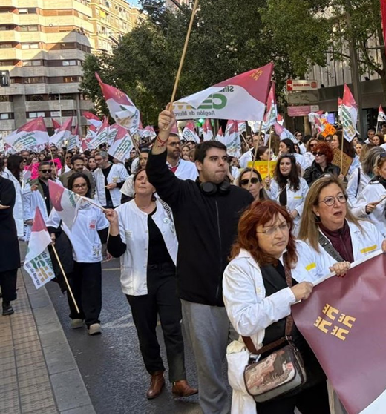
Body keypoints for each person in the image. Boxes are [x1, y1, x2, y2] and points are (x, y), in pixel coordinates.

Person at [147, 106, 255, 414]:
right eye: (213, 159)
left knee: (247, 364)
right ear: (198, 165)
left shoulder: (242, 198)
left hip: (241, 298)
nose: (221, 164)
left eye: (224, 160)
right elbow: (155, 173)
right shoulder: (183, 194)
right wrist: (163, 133)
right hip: (200, 299)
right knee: (210, 372)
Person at [223, 200, 331, 414]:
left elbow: (323, 280)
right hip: (272, 366)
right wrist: (289, 295)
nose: (280, 234)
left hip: (310, 358)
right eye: (269, 229)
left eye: (283, 226)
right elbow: (244, 322)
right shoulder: (238, 270)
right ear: (253, 234)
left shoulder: (297, 252)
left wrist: (336, 271)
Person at [104, 169, 199, 400]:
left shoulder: (166, 208)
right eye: (139, 178)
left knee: (172, 327)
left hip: (168, 275)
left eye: (148, 178)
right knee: (146, 331)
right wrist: (114, 225)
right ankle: (156, 373)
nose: (143, 181)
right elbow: (116, 250)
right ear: (133, 184)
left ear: (156, 186)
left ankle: (179, 379)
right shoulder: (122, 212)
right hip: (138, 277)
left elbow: (180, 239)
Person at [298, 177, 386, 278]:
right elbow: (309, 287)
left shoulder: (367, 229)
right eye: (329, 200)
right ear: (315, 210)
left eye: (341, 197)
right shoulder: (306, 247)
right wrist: (331, 277)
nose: (337, 204)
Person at [48, 172, 109, 335]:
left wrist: (105, 247)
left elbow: (103, 230)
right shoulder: (62, 204)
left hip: (91, 253)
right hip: (70, 253)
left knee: (92, 287)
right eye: (77, 186)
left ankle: (93, 320)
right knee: (73, 285)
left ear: (88, 187)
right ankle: (77, 314)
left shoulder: (96, 206)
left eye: (83, 185)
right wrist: (52, 235)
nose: (80, 189)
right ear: (70, 188)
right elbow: (51, 224)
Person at [353, 152, 386, 229]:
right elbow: (354, 212)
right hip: (380, 233)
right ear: (379, 170)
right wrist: (365, 208)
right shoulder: (371, 188)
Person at [270, 154, 309, 235]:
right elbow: (271, 200)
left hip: (298, 223)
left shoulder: (302, 183)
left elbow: (307, 200)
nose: (284, 166)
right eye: (282, 163)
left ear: (292, 166)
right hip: (280, 222)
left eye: (287, 164)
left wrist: (297, 211)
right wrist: (267, 188)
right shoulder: (274, 182)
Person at [0, 175, 18, 316]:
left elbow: (5, 206)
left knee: (7, 269)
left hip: (5, 232)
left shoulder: (7, 184)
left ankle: (7, 302)